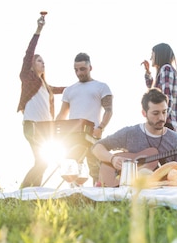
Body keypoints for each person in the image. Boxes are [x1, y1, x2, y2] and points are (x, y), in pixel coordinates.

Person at [91, 88, 177, 187]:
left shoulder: (176, 139)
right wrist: (112, 159)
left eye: (164, 112)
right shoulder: (130, 133)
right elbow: (96, 147)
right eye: (155, 113)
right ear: (144, 113)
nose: (161, 118)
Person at [17, 13, 66, 188]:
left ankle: (32, 193)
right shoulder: (28, 78)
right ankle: (22, 192)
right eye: (39, 61)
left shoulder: (47, 87)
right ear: (31, 64)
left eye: (44, 61)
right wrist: (39, 29)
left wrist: (84, 85)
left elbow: (66, 90)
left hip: (46, 129)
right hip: (33, 126)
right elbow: (28, 53)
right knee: (42, 162)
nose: (42, 63)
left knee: (42, 163)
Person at [56, 52, 113, 184]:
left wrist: (101, 127)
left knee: (96, 170)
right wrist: (56, 130)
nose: (79, 73)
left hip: (93, 135)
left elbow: (109, 110)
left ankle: (98, 198)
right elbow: (62, 114)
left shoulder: (101, 87)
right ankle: (74, 198)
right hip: (72, 136)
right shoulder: (69, 90)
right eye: (76, 70)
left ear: (90, 68)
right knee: (72, 169)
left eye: (82, 69)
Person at [143, 43, 177, 132]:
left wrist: (161, 119)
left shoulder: (166, 69)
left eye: (152, 55)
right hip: (167, 122)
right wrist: (148, 72)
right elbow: (153, 91)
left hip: (166, 123)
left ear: (159, 55)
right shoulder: (164, 70)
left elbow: (167, 97)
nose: (151, 58)